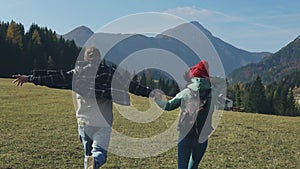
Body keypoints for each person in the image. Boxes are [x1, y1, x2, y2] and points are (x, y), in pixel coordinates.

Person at [13, 47, 152, 169]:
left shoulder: (77, 73)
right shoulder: (110, 73)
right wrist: (151, 93)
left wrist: (30, 78)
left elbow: (55, 78)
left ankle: (90, 162)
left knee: (87, 155)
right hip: (103, 122)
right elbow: (132, 86)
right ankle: (95, 161)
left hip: (84, 123)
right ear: (100, 58)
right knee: (99, 153)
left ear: (85, 58)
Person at [152, 60, 212, 169]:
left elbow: (168, 106)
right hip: (203, 138)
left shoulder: (186, 92)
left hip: (185, 135)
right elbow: (221, 84)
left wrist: (157, 99)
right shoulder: (212, 95)